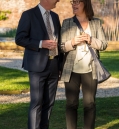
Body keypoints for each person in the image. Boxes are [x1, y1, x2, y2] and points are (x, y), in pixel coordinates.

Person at [15, 0, 63, 129]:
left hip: (54, 65)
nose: (58, 1)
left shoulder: (55, 16)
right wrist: (41, 43)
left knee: (49, 103)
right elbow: (19, 38)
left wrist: (60, 66)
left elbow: (59, 42)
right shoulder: (28, 15)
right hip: (37, 66)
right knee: (37, 103)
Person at [60, 0, 108, 129]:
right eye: (72, 2)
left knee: (90, 104)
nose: (74, 5)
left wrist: (90, 40)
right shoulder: (67, 23)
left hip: (91, 70)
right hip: (71, 70)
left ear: (85, 4)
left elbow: (103, 45)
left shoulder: (96, 23)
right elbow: (61, 47)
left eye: (77, 2)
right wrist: (73, 42)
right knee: (71, 103)